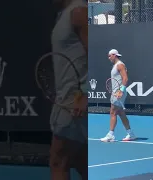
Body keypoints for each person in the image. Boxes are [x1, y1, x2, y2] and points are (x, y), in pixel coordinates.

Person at [49, 0, 88, 180]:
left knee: (59, 161)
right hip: (68, 100)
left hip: (76, 102)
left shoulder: (78, 12)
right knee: (82, 162)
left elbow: (98, 52)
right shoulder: (65, 15)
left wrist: (88, 94)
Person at [100, 49, 136, 142]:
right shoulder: (116, 65)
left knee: (113, 112)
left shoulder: (120, 65)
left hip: (118, 92)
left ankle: (111, 134)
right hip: (116, 92)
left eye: (109, 56)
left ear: (114, 55)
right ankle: (130, 133)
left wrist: (121, 91)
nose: (109, 58)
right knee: (121, 113)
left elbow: (125, 78)